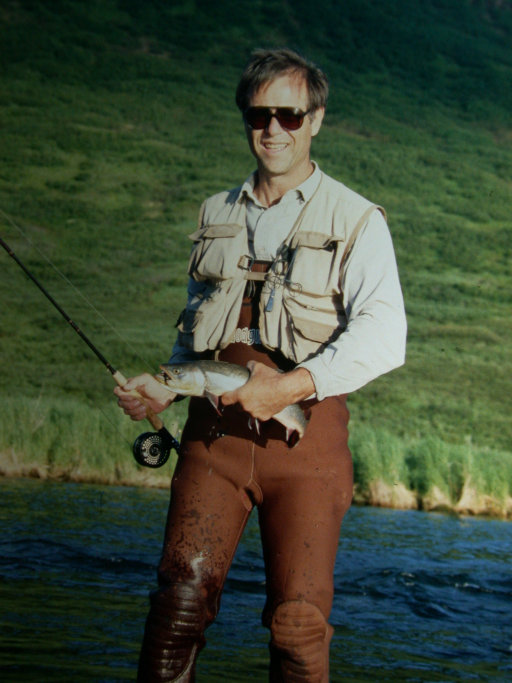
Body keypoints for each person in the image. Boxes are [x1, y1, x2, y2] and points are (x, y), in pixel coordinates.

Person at [115, 47, 406, 682]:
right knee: (176, 606)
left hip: (306, 445)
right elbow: (196, 326)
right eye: (259, 115)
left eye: (289, 115)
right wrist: (165, 387)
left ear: (316, 120)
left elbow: (387, 336)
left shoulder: (358, 219)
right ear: (246, 118)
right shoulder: (214, 212)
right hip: (211, 439)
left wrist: (290, 387)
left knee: (298, 627)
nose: (273, 129)